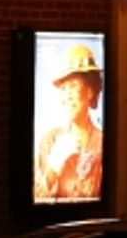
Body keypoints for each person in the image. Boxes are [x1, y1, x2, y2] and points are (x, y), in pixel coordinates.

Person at [34, 43, 104, 201]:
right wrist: (54, 165)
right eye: (63, 89)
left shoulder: (103, 143)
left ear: (90, 91)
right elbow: (38, 198)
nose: (67, 95)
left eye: (73, 86)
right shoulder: (50, 141)